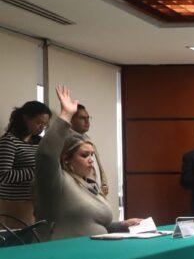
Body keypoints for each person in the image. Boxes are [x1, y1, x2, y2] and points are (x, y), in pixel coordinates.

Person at [34, 85, 141, 240]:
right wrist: (66, 115)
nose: (91, 159)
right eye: (84, 155)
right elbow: (46, 155)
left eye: (91, 155)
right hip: (61, 250)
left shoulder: (88, 185)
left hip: (95, 248)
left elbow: (93, 224)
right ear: (66, 158)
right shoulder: (57, 181)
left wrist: (123, 225)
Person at [0, 100, 49, 228]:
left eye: (45, 124)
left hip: (36, 202)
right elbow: (3, 176)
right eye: (38, 122)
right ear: (25, 118)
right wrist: (36, 170)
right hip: (14, 204)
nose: (42, 127)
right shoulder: (9, 141)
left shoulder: (40, 142)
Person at [69, 104, 108, 197]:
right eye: (82, 118)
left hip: (96, 190)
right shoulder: (67, 141)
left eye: (88, 118)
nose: (87, 121)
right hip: (79, 191)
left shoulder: (88, 139)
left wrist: (104, 183)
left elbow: (97, 164)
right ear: (71, 119)